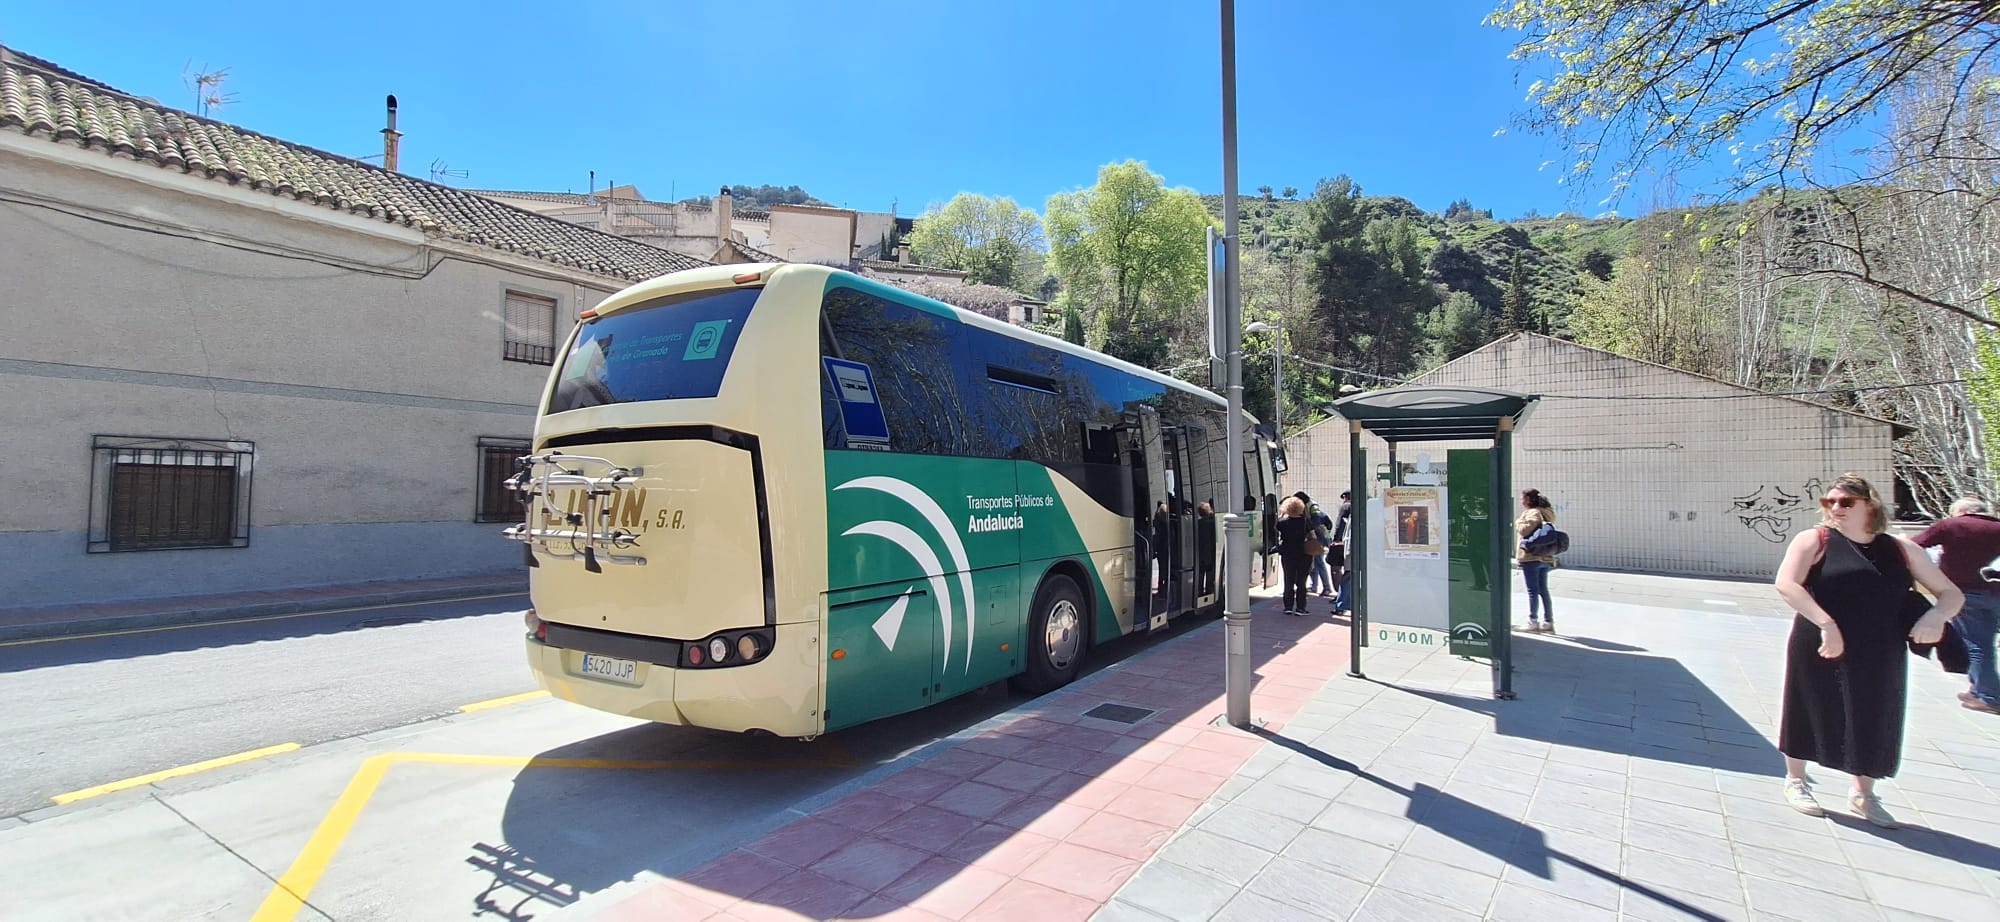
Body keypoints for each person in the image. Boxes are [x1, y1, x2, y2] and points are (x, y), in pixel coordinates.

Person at [1774, 473, 1961, 827]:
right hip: (1820, 639)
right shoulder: (1815, 540)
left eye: (1846, 502)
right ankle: (1796, 780)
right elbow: (1787, 584)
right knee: (1809, 703)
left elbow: (1952, 594)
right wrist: (1825, 624)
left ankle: (1864, 793)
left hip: (1880, 646)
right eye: (1830, 502)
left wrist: (1936, 617)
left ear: (1869, 505)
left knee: (1875, 712)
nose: (1835, 509)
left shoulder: (1902, 550)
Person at [1913, 497, 2000, 714]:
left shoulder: (1951, 526)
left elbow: (1913, 545)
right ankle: (1977, 690)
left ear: (1960, 512)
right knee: (1983, 642)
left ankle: (1989, 696)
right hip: (1996, 592)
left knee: (1977, 644)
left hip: (1964, 593)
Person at [1515, 489, 1558, 633]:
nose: (1521, 501)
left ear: (1528, 499)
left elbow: (1525, 530)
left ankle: (1533, 621)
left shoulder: (1533, 512)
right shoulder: (1546, 512)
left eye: (1522, 498)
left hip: (1531, 557)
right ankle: (1548, 622)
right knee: (1543, 590)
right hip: (1544, 557)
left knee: (1532, 590)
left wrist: (1519, 521)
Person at [1275, 495, 1310, 616]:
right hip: (1303, 554)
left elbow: (1277, 531)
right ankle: (1300, 607)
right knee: (1301, 582)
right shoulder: (1305, 522)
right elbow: (1313, 536)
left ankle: (1288, 606)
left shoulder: (1282, 522)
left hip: (1287, 553)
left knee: (1288, 580)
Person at [1305, 502, 1334, 599]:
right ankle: (1315, 586)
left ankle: (1326, 587)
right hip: (1322, 541)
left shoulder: (1310, 517)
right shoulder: (1321, 514)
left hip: (1316, 542)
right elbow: (1330, 524)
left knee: (1318, 563)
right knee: (1316, 564)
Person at [1332, 491, 1353, 612]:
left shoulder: (1346, 507)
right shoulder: (1364, 506)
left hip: (1347, 545)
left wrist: (1335, 540)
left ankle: (1341, 604)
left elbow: (1339, 525)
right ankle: (1345, 603)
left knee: (1346, 575)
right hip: (1357, 547)